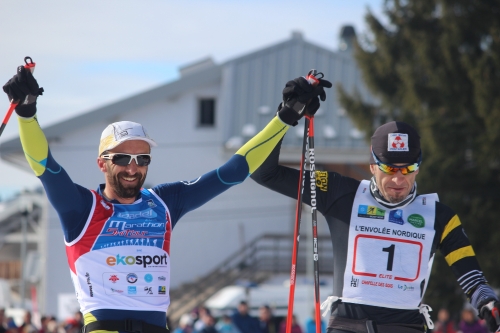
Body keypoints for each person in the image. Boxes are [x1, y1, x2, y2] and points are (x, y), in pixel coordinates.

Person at [2, 64, 331, 333]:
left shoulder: (164, 202)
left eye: (142, 159)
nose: (133, 168)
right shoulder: (81, 207)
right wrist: (28, 113)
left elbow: (234, 171)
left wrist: (286, 115)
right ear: (102, 163)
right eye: (122, 159)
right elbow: (45, 166)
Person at [251, 120, 500, 332]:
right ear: (372, 166)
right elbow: (263, 172)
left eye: (408, 169)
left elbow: (471, 276)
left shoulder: (439, 215)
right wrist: (286, 115)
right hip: (348, 326)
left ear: (418, 168)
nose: (398, 179)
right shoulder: (339, 192)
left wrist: (487, 302)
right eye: (389, 168)